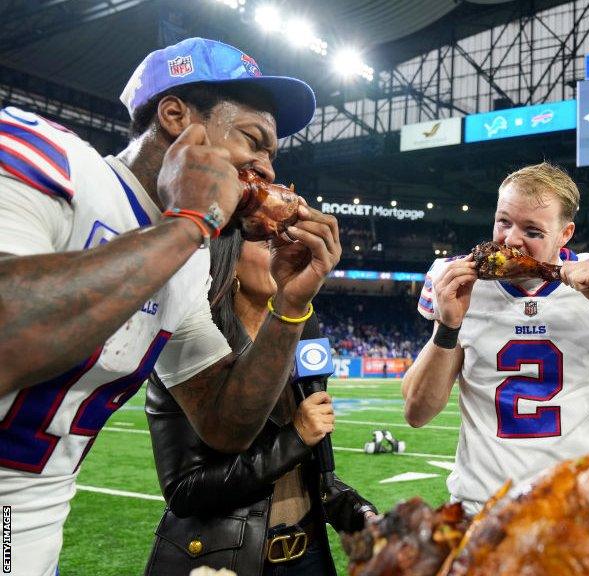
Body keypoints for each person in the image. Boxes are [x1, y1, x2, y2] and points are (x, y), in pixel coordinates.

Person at [0, 38, 341, 575]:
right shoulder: (44, 156)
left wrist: (290, 307)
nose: (267, 170)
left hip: (32, 523)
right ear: (176, 116)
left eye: (273, 156)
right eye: (254, 141)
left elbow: (227, 425)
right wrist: (188, 222)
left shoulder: (186, 266)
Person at [402, 162, 589, 514]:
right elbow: (417, 412)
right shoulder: (453, 279)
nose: (510, 240)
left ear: (565, 234)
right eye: (503, 221)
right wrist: (448, 327)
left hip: (573, 510)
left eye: (532, 230)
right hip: (481, 510)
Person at [145, 233, 375, 575]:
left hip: (309, 554)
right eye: (269, 245)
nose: (286, 253)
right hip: (229, 558)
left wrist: (359, 513)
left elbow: (305, 471)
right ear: (229, 259)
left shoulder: (303, 333)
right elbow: (184, 490)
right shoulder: (191, 348)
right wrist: (294, 438)